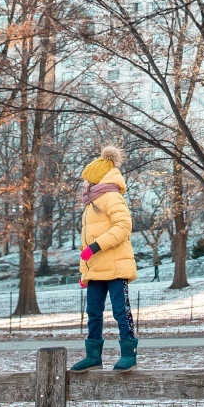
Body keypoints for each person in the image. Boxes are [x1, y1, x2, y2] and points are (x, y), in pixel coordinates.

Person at [70, 144, 138, 372]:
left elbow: (124, 227)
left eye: (85, 180)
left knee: (121, 310)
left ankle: (129, 354)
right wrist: (84, 272)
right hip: (96, 270)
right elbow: (84, 246)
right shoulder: (91, 206)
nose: (83, 184)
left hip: (116, 266)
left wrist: (97, 247)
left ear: (96, 179)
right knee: (93, 312)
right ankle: (93, 356)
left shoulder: (112, 197)